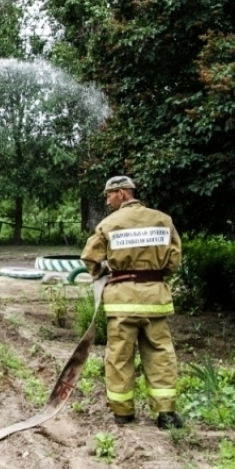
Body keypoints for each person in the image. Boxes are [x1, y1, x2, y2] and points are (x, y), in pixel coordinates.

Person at [80, 175, 183, 430]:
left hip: (122, 302)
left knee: (119, 356)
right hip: (154, 299)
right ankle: (166, 414)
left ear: (123, 193)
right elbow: (174, 260)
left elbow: (90, 258)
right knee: (160, 354)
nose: (107, 200)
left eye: (109, 195)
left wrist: (106, 272)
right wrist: (154, 274)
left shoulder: (109, 224)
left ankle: (123, 413)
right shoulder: (163, 220)